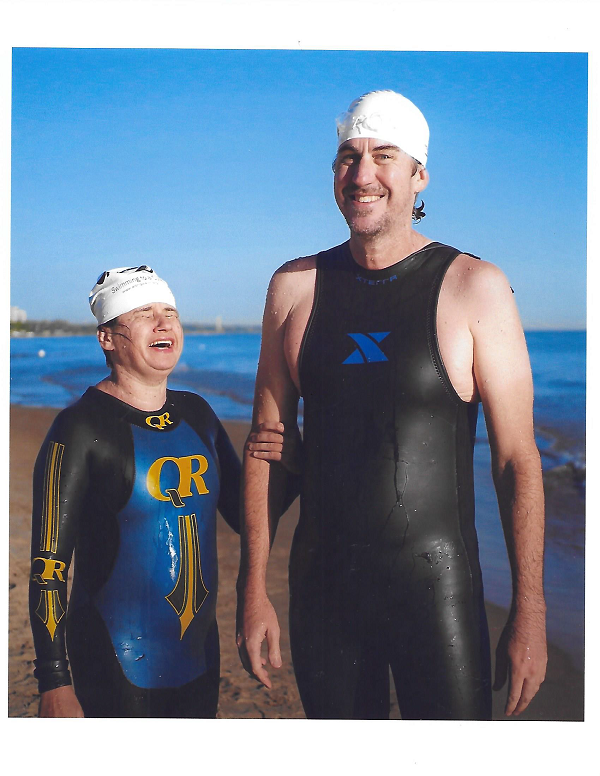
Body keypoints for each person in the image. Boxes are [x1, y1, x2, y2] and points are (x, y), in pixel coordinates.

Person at [237, 90, 547, 720]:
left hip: (437, 593)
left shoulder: (474, 286)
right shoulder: (294, 288)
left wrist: (530, 612)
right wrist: (253, 589)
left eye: (384, 155)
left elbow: (517, 460)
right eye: (348, 158)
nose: (362, 175)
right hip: (323, 593)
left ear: (419, 174)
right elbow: (266, 443)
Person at [29, 265, 293, 717]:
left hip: (200, 658)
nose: (164, 322)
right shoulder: (77, 429)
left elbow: (245, 513)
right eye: (144, 313)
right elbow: (48, 567)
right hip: (113, 661)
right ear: (107, 338)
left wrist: (289, 466)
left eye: (170, 311)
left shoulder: (199, 415)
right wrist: (54, 680)